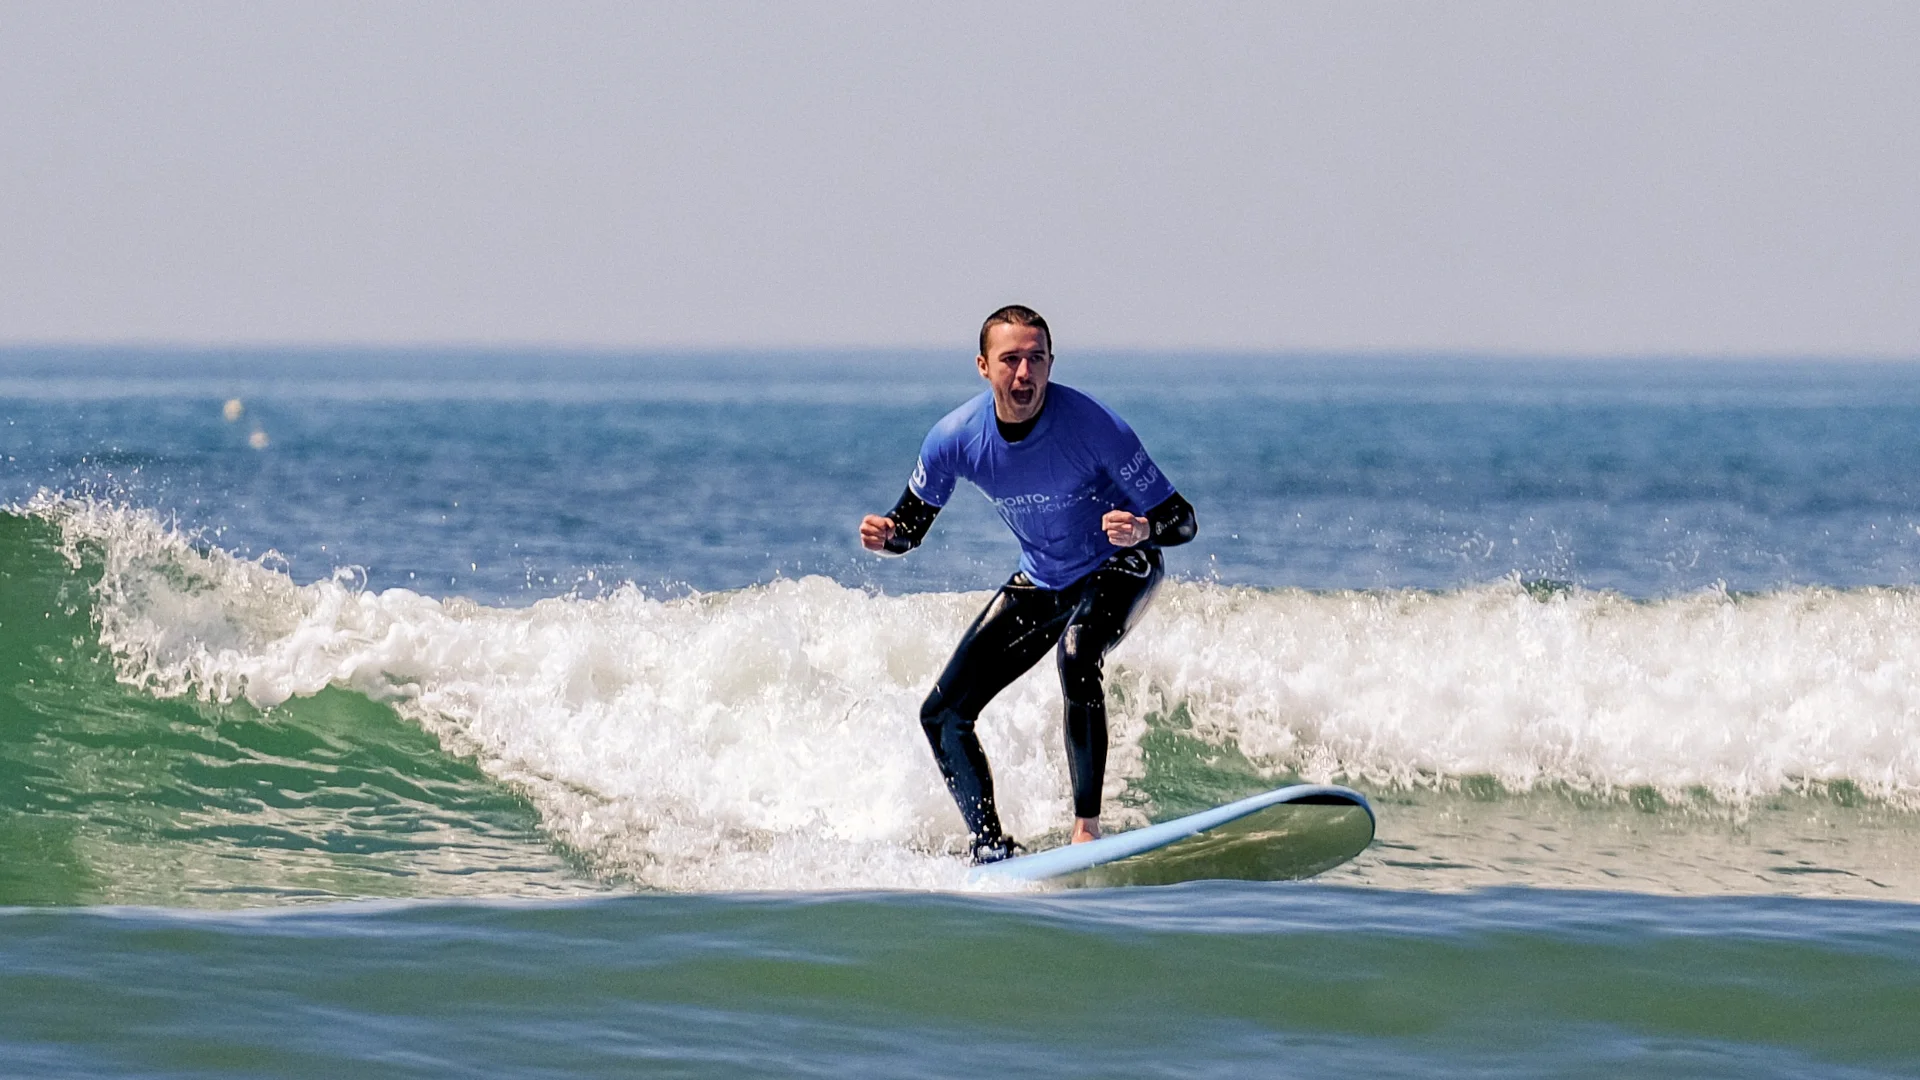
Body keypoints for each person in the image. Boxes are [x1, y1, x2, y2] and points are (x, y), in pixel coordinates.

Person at [859, 305, 1197, 863]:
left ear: (1050, 363)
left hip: (1119, 564)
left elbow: (1181, 520)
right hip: (1044, 579)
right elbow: (911, 528)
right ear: (983, 366)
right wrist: (889, 535)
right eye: (1010, 360)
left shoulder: (1093, 426)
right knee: (941, 715)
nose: (1024, 374)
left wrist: (1141, 528)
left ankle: (1085, 829)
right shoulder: (954, 438)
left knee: (1078, 651)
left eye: (1035, 359)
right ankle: (990, 847)